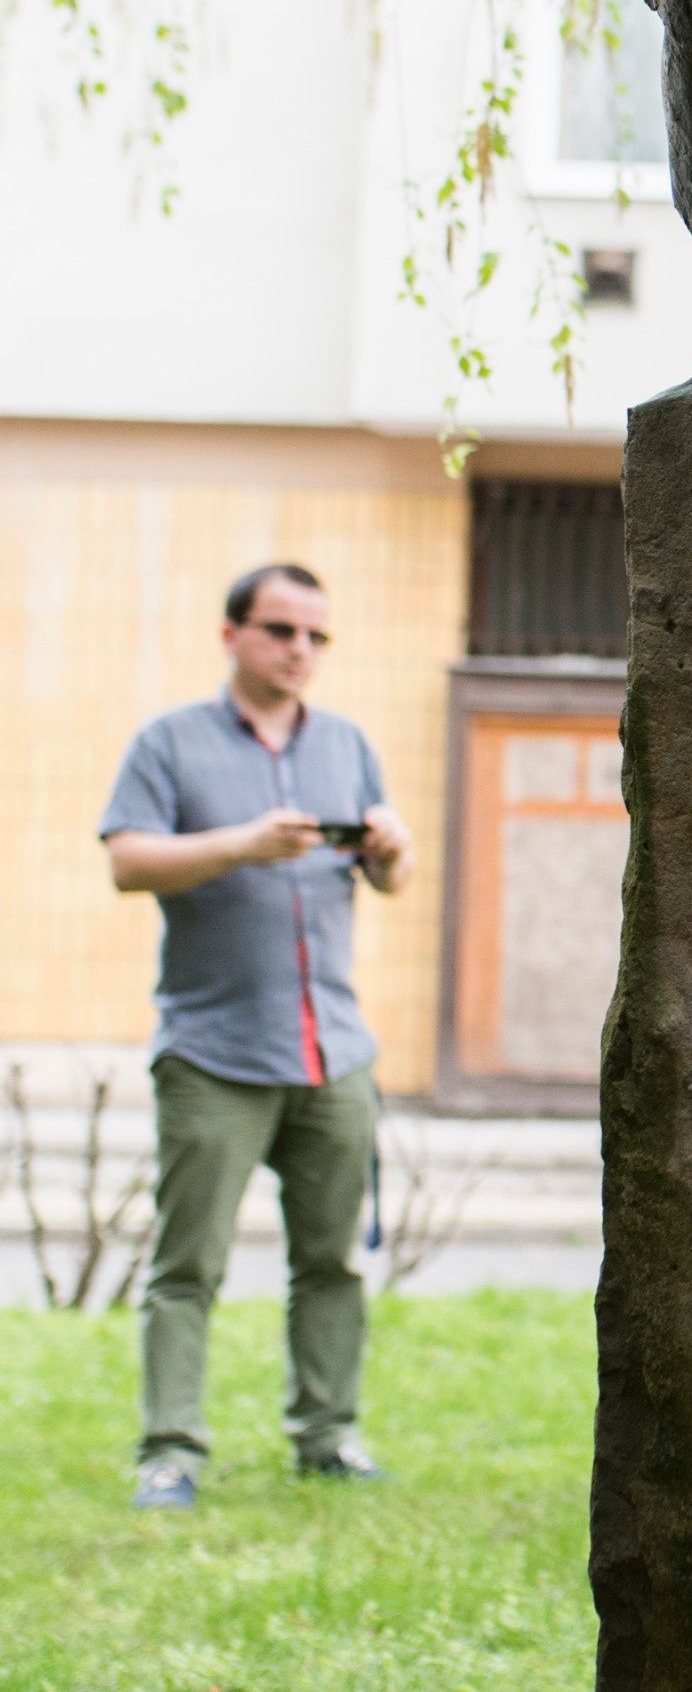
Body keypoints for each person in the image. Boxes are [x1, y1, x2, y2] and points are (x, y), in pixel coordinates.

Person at [101, 562, 413, 1511]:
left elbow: (385, 880)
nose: (300, 651)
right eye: (281, 631)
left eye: (317, 637)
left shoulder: (349, 745)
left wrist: (392, 851)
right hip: (214, 1054)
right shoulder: (169, 743)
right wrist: (241, 843)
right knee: (187, 1266)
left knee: (330, 1263)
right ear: (232, 634)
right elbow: (127, 863)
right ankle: (171, 1452)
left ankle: (329, 1437)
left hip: (333, 1052)